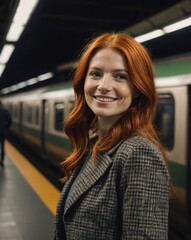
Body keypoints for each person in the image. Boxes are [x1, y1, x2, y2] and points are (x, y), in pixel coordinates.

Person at [54, 33, 170, 239]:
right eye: (96, 74)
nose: (104, 86)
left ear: (137, 89)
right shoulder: (94, 145)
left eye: (120, 76)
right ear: (84, 81)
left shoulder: (138, 154)